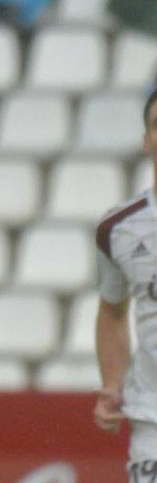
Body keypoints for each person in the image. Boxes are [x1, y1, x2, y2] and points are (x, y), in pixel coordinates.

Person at [94, 89, 157, 480]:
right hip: (152, 416)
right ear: (146, 140)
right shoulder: (118, 228)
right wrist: (113, 384)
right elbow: (113, 310)